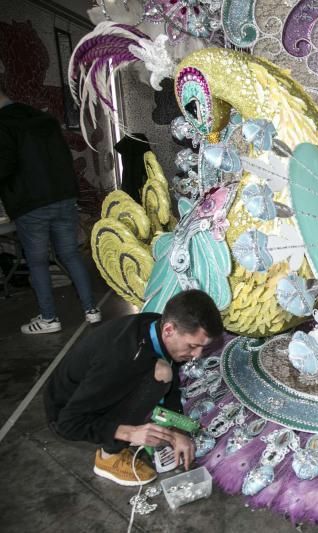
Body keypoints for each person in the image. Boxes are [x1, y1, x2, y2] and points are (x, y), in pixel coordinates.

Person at [44, 289, 224, 486]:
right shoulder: (121, 360)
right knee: (160, 373)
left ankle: (129, 427)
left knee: (164, 371)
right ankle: (109, 457)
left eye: (202, 347)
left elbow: (172, 382)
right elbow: (67, 424)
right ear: (169, 330)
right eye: (191, 346)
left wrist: (176, 428)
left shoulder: (156, 326)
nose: (197, 355)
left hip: (99, 386)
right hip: (65, 411)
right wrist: (129, 433)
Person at [0, 83, 101, 334]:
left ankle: (48, 318)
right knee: (70, 254)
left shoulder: (3, 125)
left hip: (31, 203)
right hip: (64, 197)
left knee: (37, 262)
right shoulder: (44, 119)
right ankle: (91, 310)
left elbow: (4, 165)